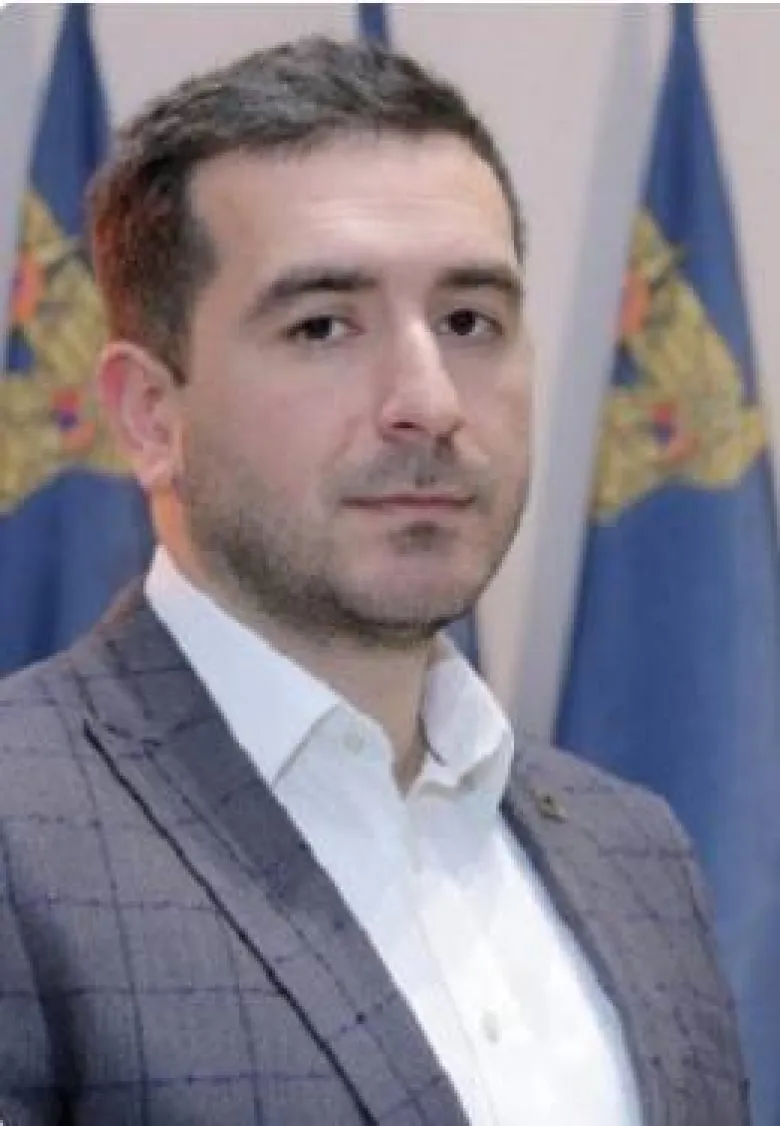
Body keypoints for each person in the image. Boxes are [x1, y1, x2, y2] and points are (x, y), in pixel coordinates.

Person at [0, 35, 748, 1126]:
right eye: (323, 326)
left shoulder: (636, 851)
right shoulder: (21, 830)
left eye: (469, 321)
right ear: (151, 417)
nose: (429, 401)